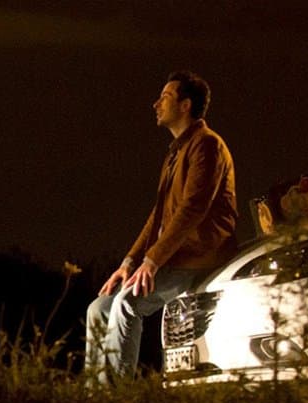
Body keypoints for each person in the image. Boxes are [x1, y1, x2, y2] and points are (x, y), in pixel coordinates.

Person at [86, 70, 237, 383]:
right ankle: (94, 396)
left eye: (165, 97)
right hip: (175, 257)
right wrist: (130, 262)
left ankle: (116, 395)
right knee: (98, 309)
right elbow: (158, 215)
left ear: (185, 105)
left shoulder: (207, 145)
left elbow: (193, 208)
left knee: (127, 304)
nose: (156, 104)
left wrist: (152, 261)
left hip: (199, 257)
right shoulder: (176, 153)